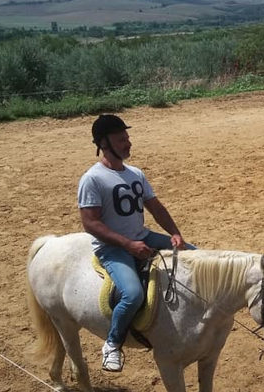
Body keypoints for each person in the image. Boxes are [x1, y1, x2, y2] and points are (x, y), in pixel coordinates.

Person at [78, 114, 188, 372]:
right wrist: (128, 246)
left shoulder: (135, 174)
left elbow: (155, 207)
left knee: (193, 255)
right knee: (133, 294)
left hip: (142, 236)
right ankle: (113, 343)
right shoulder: (92, 179)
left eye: (128, 138)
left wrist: (175, 233)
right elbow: (90, 224)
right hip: (112, 248)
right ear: (105, 144)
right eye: (121, 140)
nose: (128, 144)